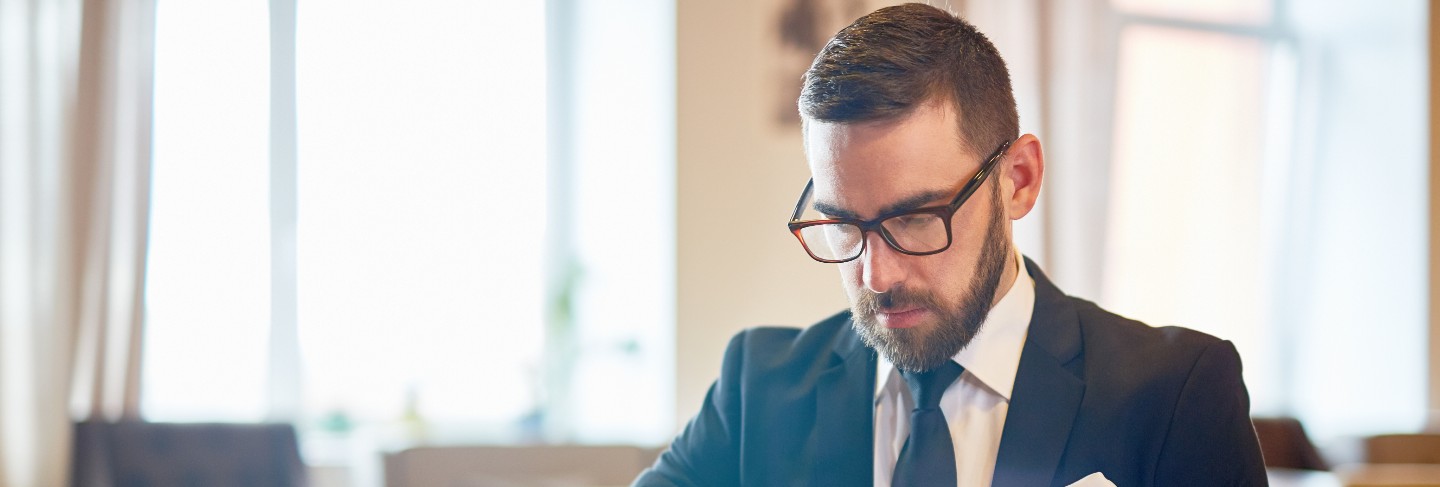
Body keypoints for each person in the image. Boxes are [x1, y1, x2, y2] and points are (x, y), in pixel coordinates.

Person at [635, 3, 1266, 486]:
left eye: (914, 219)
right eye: (845, 226)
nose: (877, 276)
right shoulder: (758, 389)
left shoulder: (1173, 397)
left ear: (1018, 180)